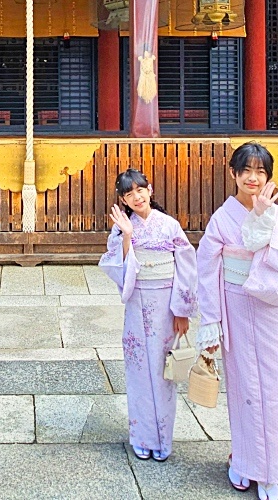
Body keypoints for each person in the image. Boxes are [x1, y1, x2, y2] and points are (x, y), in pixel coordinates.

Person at [196, 142, 278, 500]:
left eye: (260, 171)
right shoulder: (221, 218)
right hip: (235, 302)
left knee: (272, 387)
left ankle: (272, 471)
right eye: (246, 170)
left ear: (269, 177)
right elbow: (206, 269)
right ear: (233, 174)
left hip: (269, 308)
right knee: (244, 385)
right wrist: (210, 321)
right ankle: (244, 461)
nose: (253, 178)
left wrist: (265, 221)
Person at [99, 168, 197, 462]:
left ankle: (163, 438)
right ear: (123, 200)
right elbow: (119, 266)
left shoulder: (169, 225)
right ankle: (142, 436)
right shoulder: (121, 228)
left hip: (167, 302)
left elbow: (187, 266)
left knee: (164, 372)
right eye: (129, 194)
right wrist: (127, 236)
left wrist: (183, 310)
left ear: (150, 190)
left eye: (140, 190)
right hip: (138, 301)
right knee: (139, 370)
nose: (136, 196)